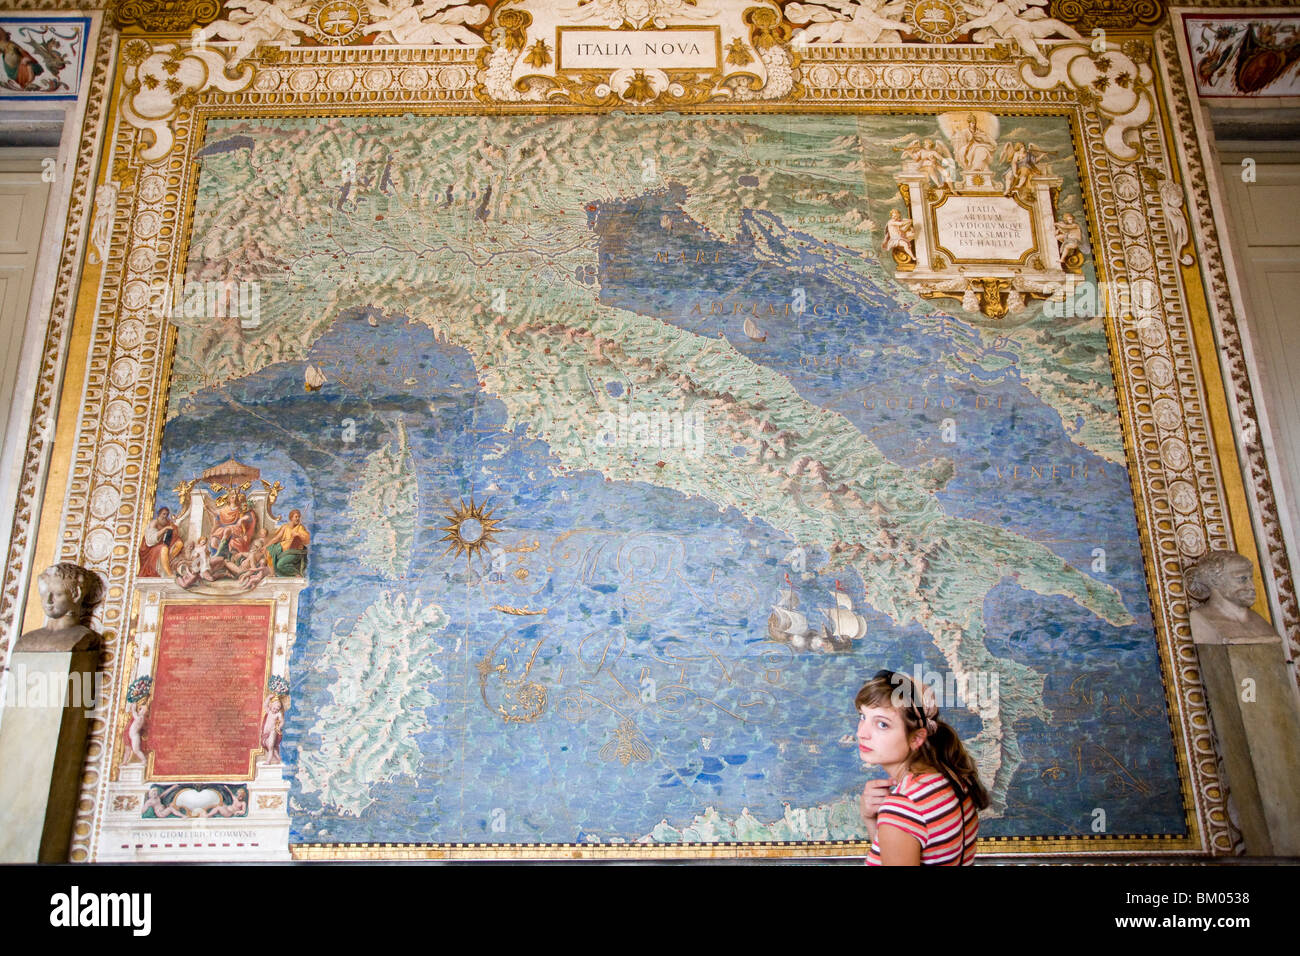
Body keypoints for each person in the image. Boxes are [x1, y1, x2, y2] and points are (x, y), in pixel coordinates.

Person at [854, 669, 989, 865]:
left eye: (882, 724)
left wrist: (894, 816)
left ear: (917, 738)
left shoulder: (904, 809)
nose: (861, 733)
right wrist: (872, 820)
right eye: (863, 716)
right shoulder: (952, 775)